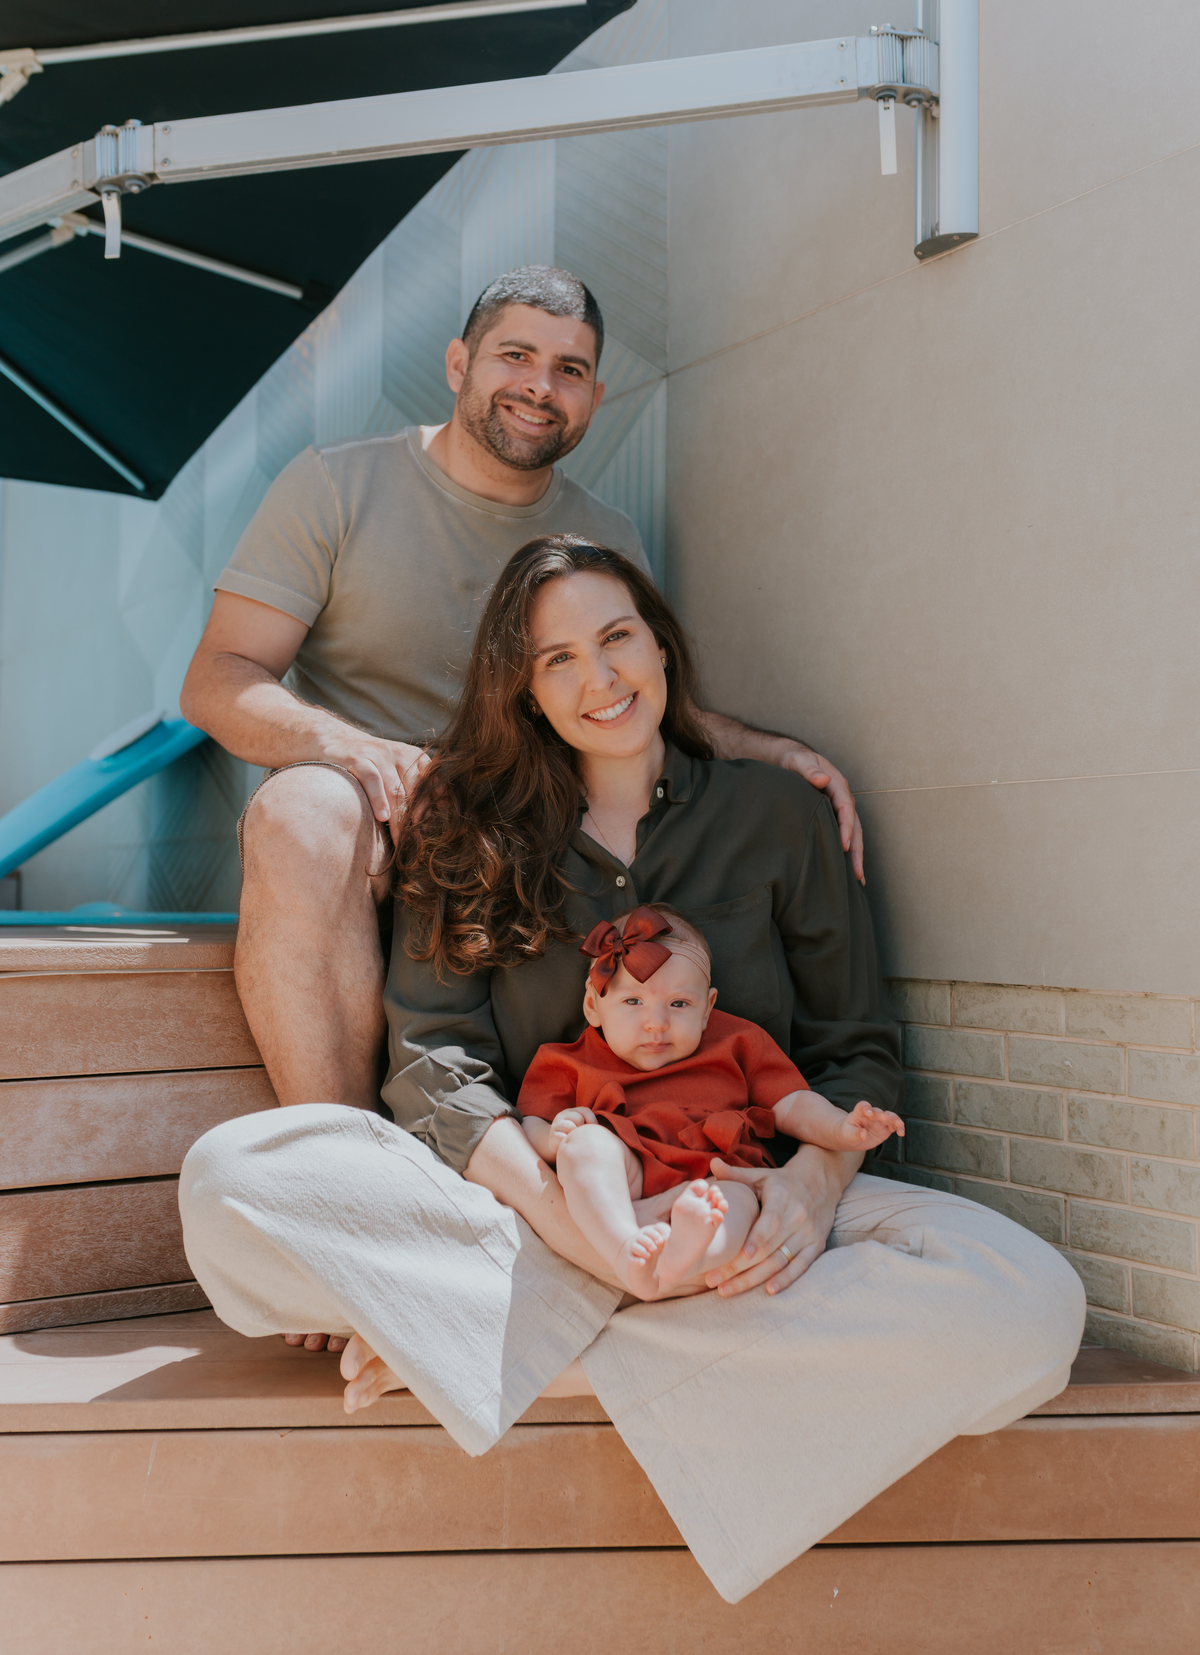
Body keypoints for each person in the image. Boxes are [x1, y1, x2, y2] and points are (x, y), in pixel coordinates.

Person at [179, 534, 1085, 1604]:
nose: (599, 678)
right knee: (234, 1181)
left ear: (662, 645)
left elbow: (856, 1047)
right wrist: (564, 1223)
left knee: (1031, 1305)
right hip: (531, 1207)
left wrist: (809, 1188)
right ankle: (608, 1315)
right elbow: (434, 1063)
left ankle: (523, 1355)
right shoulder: (466, 829)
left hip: (743, 1201)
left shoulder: (778, 815)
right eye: (557, 659)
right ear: (522, 690)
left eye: (616, 638)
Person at [179, 265, 863, 1143]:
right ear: (459, 364)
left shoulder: (604, 536)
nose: (541, 386)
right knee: (299, 811)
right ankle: (345, 1158)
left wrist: (772, 753)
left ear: (595, 398)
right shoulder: (335, 487)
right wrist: (355, 750)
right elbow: (218, 678)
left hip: (531, 828)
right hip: (391, 819)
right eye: (516, 356)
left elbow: (638, 700)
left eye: (569, 369)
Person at [518, 903, 904, 1298]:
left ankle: (688, 1256)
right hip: (627, 1178)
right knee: (585, 1146)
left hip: (716, 1174)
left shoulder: (737, 1043)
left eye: (679, 1004)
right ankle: (624, 1248)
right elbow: (530, 1124)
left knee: (737, 1203)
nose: (656, 1023)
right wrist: (553, 1137)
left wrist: (838, 1127)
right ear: (592, 1006)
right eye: (633, 1002)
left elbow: (791, 1103)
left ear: (707, 1008)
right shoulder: (567, 1061)